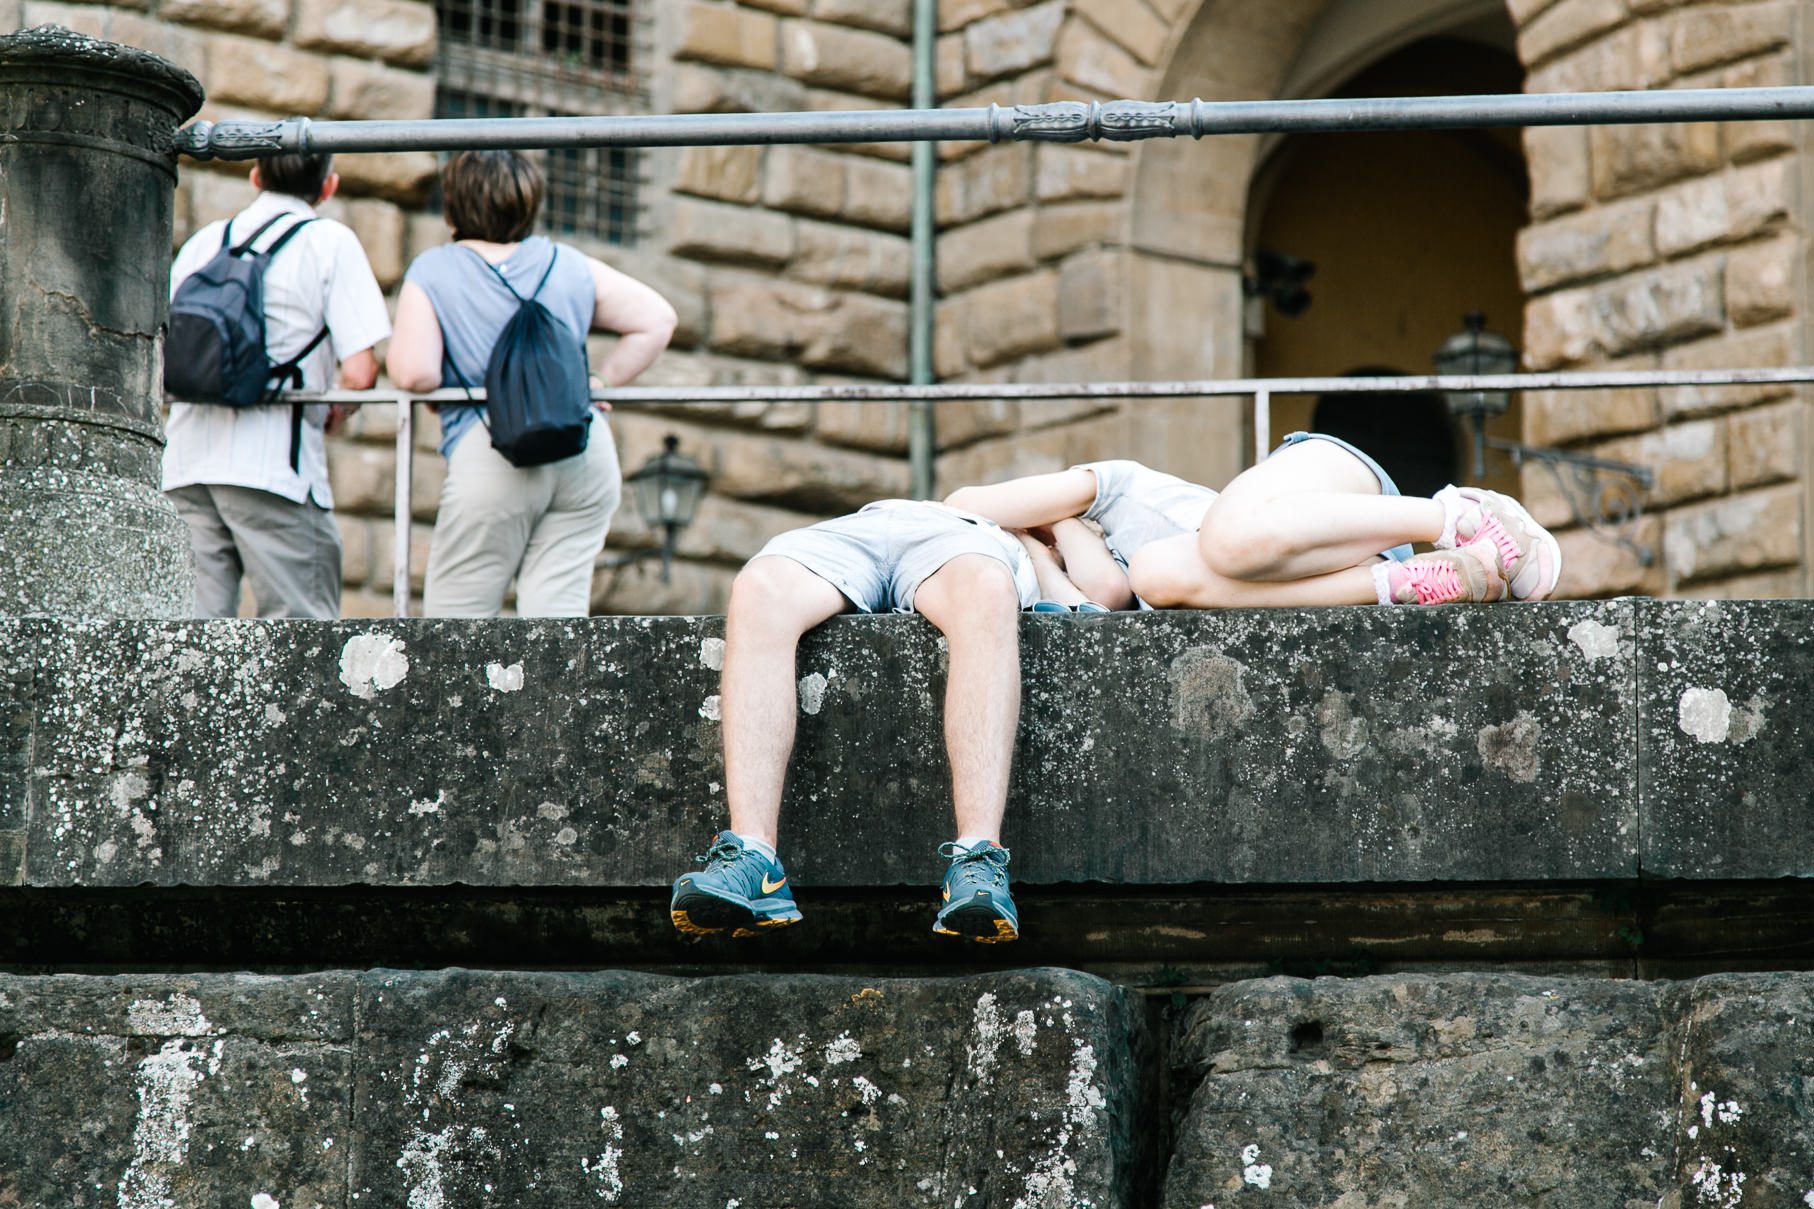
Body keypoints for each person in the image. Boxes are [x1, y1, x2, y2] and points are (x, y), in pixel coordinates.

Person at [668, 499, 1040, 944]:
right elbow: (969, 495)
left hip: (966, 543)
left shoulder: (1113, 522)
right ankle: (753, 858)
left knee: (987, 588)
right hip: (872, 524)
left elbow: (1111, 586)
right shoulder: (1113, 494)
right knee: (758, 586)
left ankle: (978, 858)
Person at [387, 150, 678, 617]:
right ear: (530, 201)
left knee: (458, 622)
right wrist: (598, 382)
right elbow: (657, 319)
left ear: (453, 205)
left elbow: (414, 372)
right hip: (581, 444)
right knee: (555, 618)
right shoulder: (566, 262)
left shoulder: (434, 270)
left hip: (493, 446)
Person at [943, 432, 1562, 610]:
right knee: (1158, 576)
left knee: (1227, 538)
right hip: (1336, 567)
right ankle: (1429, 579)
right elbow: (1104, 595)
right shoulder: (1124, 569)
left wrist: (1040, 528)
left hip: (1325, 482)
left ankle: (1462, 515)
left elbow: (961, 505)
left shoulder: (1106, 486)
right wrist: (1041, 556)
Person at [163, 151, 391, 619]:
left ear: (255, 176)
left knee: (192, 641)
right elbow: (361, 370)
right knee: (299, 641)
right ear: (328, 187)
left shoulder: (206, 242)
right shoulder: (328, 242)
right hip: (273, 469)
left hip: (186, 465)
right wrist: (338, 413)